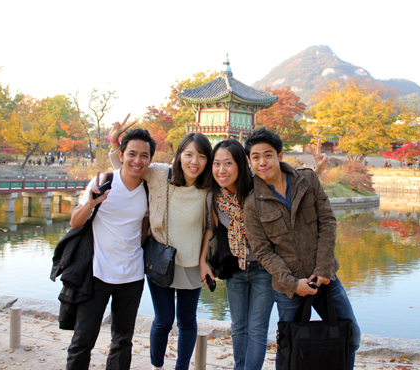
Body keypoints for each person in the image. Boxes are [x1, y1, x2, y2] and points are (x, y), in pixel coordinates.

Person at [242, 127, 360, 370]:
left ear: (280, 155)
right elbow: (263, 252)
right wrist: (293, 283)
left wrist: (324, 268)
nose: (262, 162)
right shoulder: (253, 204)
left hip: (326, 278)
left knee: (350, 335)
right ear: (249, 161)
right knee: (290, 347)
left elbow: (327, 221)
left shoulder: (307, 180)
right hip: (289, 288)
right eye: (256, 157)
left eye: (267, 155)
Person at [207, 138, 327, 370]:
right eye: (216, 163)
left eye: (228, 163)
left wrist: (316, 171)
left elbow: (289, 185)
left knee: (257, 328)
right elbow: (210, 230)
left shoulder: (257, 187)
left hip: (265, 267)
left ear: (242, 165)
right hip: (236, 267)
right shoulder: (215, 196)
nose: (222, 170)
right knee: (238, 326)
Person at [108, 115, 213, 370]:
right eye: (189, 154)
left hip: (192, 266)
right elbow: (126, 168)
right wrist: (114, 142)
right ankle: (157, 366)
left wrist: (203, 262)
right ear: (179, 155)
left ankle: (181, 367)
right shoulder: (158, 175)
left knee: (187, 321)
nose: (194, 162)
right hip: (160, 261)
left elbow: (210, 228)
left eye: (201, 156)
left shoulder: (209, 188)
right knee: (163, 320)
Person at [65, 128, 155, 370]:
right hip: (97, 273)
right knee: (83, 339)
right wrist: (91, 203)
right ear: (122, 154)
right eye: (132, 153)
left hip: (132, 276)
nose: (137, 161)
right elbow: (75, 222)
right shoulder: (103, 182)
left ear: (150, 159)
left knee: (123, 341)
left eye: (144, 156)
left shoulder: (148, 189)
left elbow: (143, 230)